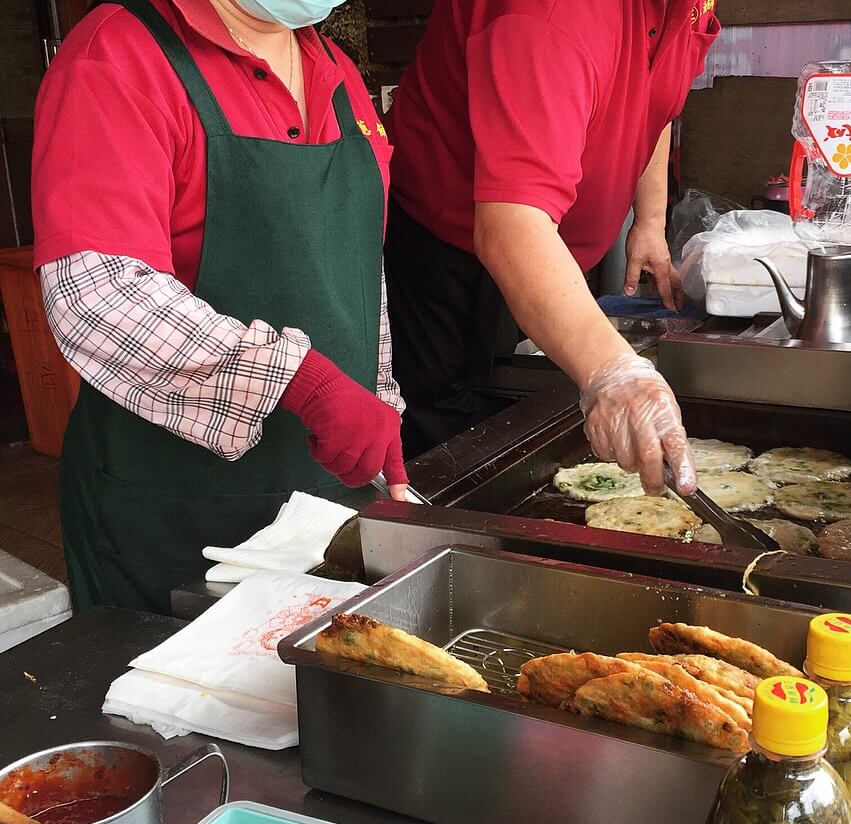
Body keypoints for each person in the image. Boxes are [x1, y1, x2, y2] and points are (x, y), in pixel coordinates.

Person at [32, 0, 408, 615]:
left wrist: (378, 393)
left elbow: (363, 269)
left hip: (325, 499)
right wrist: (303, 382)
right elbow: (95, 291)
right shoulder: (119, 55)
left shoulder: (336, 71)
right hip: (169, 511)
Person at [384, 0, 721, 494]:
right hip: (445, 236)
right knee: (446, 429)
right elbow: (510, 225)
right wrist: (612, 370)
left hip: (544, 243)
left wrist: (649, 220)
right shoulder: (552, 16)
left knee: (507, 397)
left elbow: (658, 100)